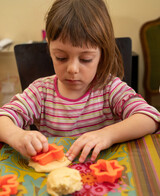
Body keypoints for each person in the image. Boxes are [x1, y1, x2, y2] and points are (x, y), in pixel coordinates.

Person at [0, 0, 160, 163]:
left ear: (101, 54)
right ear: (50, 49)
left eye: (86, 59)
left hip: (104, 177)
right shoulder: (40, 92)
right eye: (61, 57)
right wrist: (17, 136)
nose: (73, 69)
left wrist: (108, 134)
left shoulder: (110, 88)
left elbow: (150, 117)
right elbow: (3, 118)